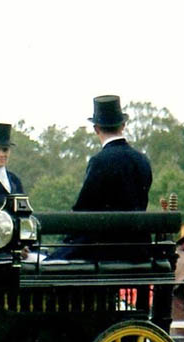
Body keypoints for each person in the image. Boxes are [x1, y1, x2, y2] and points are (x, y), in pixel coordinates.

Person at [51, 95, 153, 261]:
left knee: (49, 262)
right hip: (139, 247)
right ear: (123, 125)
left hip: (103, 247)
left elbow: (84, 208)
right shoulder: (142, 160)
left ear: (96, 129)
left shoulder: (99, 161)